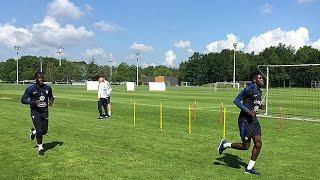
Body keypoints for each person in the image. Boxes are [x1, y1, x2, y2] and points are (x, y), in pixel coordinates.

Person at [217, 70, 264, 175]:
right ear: (254, 80)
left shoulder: (259, 91)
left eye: (262, 78)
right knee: (246, 146)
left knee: (258, 143)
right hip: (244, 121)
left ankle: (249, 168)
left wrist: (260, 106)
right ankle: (225, 145)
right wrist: (248, 111)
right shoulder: (249, 89)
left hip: (254, 121)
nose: (262, 79)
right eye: (260, 78)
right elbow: (236, 100)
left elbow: (254, 103)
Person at [21, 71, 54, 156]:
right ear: (35, 78)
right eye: (39, 77)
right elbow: (23, 100)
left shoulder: (48, 88)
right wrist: (33, 102)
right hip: (35, 112)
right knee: (40, 130)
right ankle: (40, 148)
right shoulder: (30, 89)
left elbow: (51, 97)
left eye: (42, 77)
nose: (41, 79)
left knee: (44, 131)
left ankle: (34, 132)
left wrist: (51, 101)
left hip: (44, 112)